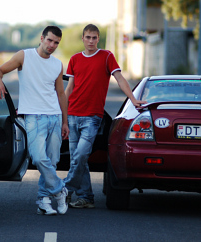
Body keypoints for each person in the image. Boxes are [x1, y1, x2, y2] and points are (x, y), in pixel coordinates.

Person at [64, 24, 146, 208]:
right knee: (78, 160)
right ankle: (86, 197)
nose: (91, 41)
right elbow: (69, 88)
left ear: (98, 39)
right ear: (83, 39)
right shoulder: (75, 59)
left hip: (92, 117)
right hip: (72, 114)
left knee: (81, 155)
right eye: (88, 37)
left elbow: (120, 78)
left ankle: (64, 190)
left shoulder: (107, 56)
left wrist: (133, 99)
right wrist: (60, 111)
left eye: (94, 38)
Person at [0, 26, 70, 215]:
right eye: (50, 40)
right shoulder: (24, 56)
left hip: (55, 116)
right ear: (42, 38)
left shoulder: (57, 64)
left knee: (53, 160)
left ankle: (43, 199)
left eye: (56, 43)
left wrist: (65, 122)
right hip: (33, 117)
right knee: (38, 157)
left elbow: (61, 93)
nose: (52, 45)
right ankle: (60, 190)